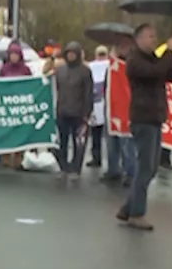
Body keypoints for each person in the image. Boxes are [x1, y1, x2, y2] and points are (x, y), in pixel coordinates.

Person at [117, 26, 172, 230]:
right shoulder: (135, 61)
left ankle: (129, 207)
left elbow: (171, 75)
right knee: (145, 167)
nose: (154, 40)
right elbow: (156, 72)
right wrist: (168, 51)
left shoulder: (151, 59)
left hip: (155, 117)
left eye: (155, 36)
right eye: (151, 36)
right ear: (139, 39)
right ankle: (137, 213)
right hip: (143, 117)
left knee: (150, 168)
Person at [53, 41, 94, 179]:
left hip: (79, 113)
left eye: (73, 53)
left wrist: (87, 113)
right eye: (68, 53)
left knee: (79, 144)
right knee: (61, 142)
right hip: (62, 111)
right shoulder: (59, 70)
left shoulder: (85, 71)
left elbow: (88, 93)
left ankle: (76, 169)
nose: (71, 56)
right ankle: (63, 167)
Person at [101, 45, 136, 188]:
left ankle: (131, 173)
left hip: (125, 108)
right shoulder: (111, 67)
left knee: (127, 143)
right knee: (111, 141)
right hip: (111, 107)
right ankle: (113, 169)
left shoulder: (131, 65)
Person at [0, 43, 32, 169]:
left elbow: (31, 85)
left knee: (19, 130)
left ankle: (18, 156)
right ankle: (5, 156)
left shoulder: (25, 70)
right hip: (7, 104)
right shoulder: (4, 69)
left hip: (20, 104)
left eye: (16, 54)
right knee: (7, 130)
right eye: (11, 54)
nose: (13, 57)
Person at [87, 45, 111, 168]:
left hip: (108, 106)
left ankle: (113, 163)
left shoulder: (111, 66)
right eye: (99, 54)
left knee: (110, 137)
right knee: (95, 134)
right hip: (95, 105)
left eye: (103, 54)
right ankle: (96, 158)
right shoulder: (91, 67)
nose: (101, 57)